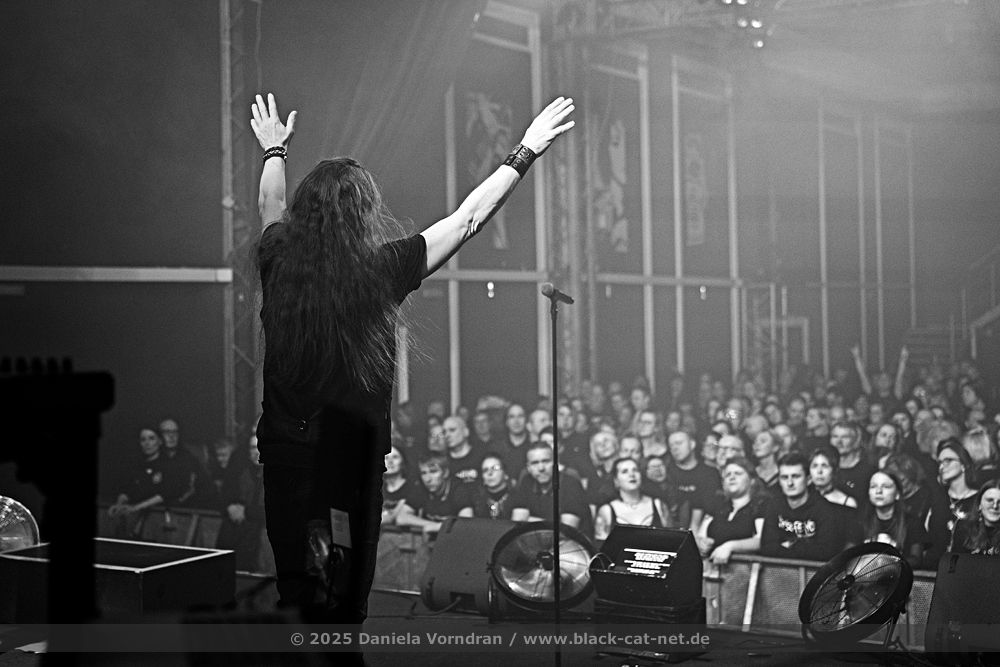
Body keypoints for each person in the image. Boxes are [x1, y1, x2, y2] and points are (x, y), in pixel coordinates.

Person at [250, 92, 574, 623]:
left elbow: (270, 205)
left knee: (296, 594)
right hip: (348, 466)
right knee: (344, 601)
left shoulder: (278, 259)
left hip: (288, 457)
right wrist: (525, 150)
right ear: (362, 214)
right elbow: (468, 219)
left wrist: (274, 151)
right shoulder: (381, 269)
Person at [761, 452, 855, 561]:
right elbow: (767, 548)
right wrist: (805, 546)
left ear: (809, 479)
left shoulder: (825, 510)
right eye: (784, 477)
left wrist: (790, 545)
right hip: (778, 571)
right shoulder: (774, 505)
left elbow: (825, 553)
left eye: (796, 476)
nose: (790, 483)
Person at [510, 443, 592, 538]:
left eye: (546, 461)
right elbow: (517, 525)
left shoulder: (571, 483)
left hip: (573, 545)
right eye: (535, 463)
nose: (541, 468)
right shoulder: (526, 482)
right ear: (528, 467)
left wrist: (530, 520)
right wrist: (553, 524)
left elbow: (566, 532)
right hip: (537, 542)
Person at [696, 457, 769, 564]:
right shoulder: (716, 505)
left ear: (752, 480)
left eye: (738, 473)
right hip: (712, 569)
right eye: (728, 474)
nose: (732, 477)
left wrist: (730, 546)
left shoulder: (762, 506)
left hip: (746, 570)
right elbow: (701, 536)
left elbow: (761, 541)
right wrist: (702, 543)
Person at [593, 458, 671, 542]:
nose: (631, 475)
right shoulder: (606, 510)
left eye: (635, 470)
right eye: (625, 471)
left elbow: (673, 540)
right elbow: (600, 546)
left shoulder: (658, 505)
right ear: (616, 481)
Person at [861, 470, 926, 568]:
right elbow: (847, 556)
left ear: (897, 494)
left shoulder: (912, 522)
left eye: (886, 487)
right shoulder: (860, 521)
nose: (878, 491)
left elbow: (916, 560)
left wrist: (887, 564)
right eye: (873, 486)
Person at [950, 479, 1000, 555]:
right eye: (990, 500)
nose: (995, 506)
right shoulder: (963, 527)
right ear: (979, 504)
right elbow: (954, 560)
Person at [459, 453, 515, 520]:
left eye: (495, 468)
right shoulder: (475, 499)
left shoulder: (517, 497)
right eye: (485, 470)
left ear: (505, 474)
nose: (490, 473)